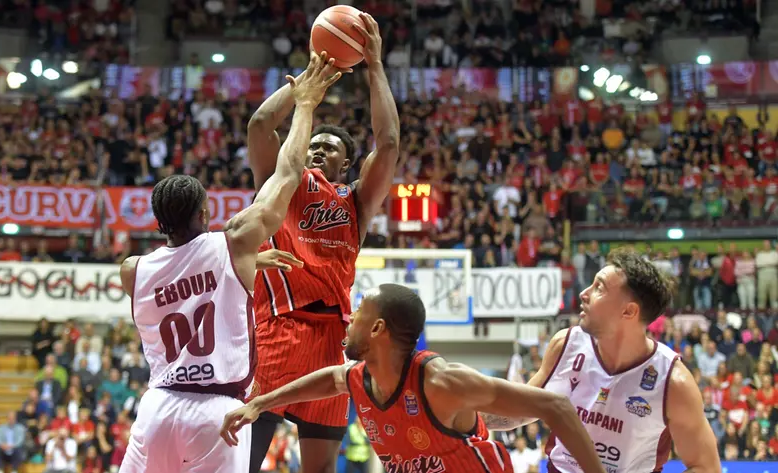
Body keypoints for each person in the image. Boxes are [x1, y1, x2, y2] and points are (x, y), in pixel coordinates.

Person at [116, 52, 343, 473]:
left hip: (157, 408)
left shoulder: (133, 270)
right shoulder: (234, 241)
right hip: (216, 410)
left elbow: (185, 274)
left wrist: (249, 263)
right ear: (204, 215)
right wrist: (306, 104)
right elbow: (289, 172)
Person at [221, 284, 607, 473]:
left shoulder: (441, 381)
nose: (349, 318)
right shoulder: (361, 378)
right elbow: (328, 380)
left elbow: (554, 405)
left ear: (378, 330)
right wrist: (260, 403)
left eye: (358, 313)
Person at [246, 12, 402, 473]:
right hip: (278, 328)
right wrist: (306, 91)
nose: (318, 149)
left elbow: (389, 142)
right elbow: (259, 125)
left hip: (333, 336)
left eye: (330, 147)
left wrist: (374, 65)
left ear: (346, 164)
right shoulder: (282, 182)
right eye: (314, 143)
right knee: (245, 461)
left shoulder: (355, 201)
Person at [483, 248, 721, 473]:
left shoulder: (673, 382)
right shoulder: (565, 344)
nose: (584, 293)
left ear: (628, 311)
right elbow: (522, 410)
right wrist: (457, 416)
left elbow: (706, 466)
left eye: (599, 288)